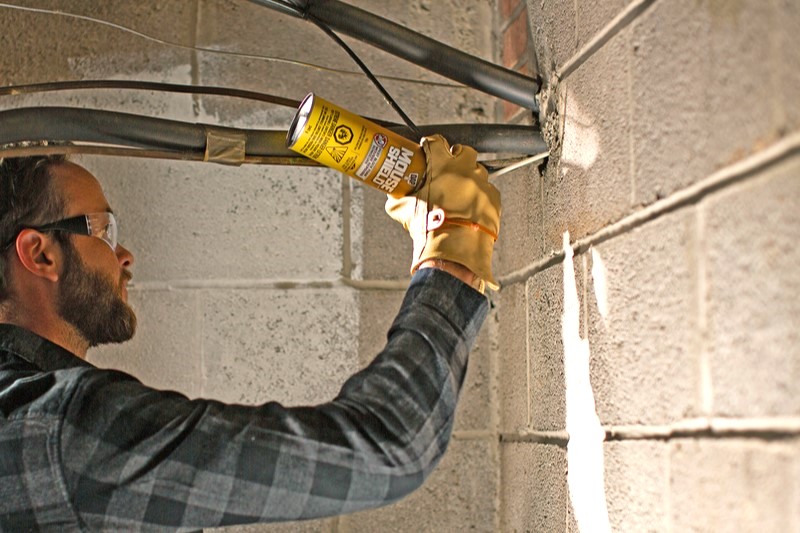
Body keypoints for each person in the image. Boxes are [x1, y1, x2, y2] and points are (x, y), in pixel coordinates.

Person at [0, 135, 501, 531]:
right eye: (104, 230)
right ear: (40, 253)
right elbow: (391, 445)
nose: (124, 255)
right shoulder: (60, 433)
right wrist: (451, 252)